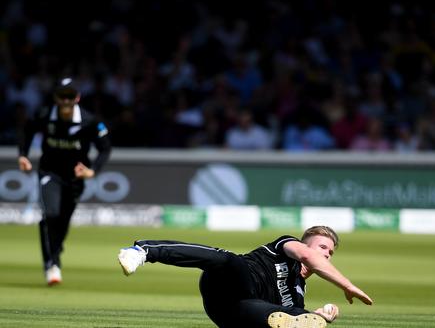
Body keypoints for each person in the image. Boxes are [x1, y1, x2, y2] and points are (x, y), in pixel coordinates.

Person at [117, 225, 373, 328]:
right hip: (230, 280)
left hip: (234, 312)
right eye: (322, 247)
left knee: (289, 314)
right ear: (305, 245)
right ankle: (144, 250)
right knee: (228, 259)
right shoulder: (287, 245)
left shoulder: (298, 291)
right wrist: (348, 286)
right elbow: (308, 257)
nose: (327, 254)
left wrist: (321, 316)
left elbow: (286, 318)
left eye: (331, 252)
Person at [18, 78, 112, 286]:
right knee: (50, 214)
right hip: (50, 172)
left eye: (70, 96)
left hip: (75, 177)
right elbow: (27, 130)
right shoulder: (44, 115)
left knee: (62, 221)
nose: (66, 101)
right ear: (56, 98)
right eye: (62, 96)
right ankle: (53, 264)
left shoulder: (90, 120)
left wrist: (92, 171)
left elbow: (105, 147)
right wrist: (23, 155)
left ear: (77, 98)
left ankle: (54, 250)